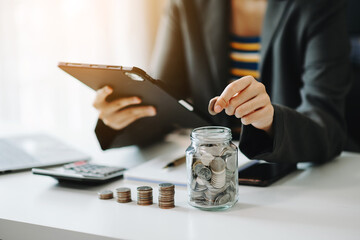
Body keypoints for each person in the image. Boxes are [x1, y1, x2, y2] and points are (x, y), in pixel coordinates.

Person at [93, 0, 351, 164]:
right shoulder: (186, 4)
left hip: (290, 175)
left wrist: (270, 122)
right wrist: (119, 117)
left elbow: (327, 125)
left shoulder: (321, 6)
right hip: (210, 168)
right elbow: (165, 102)